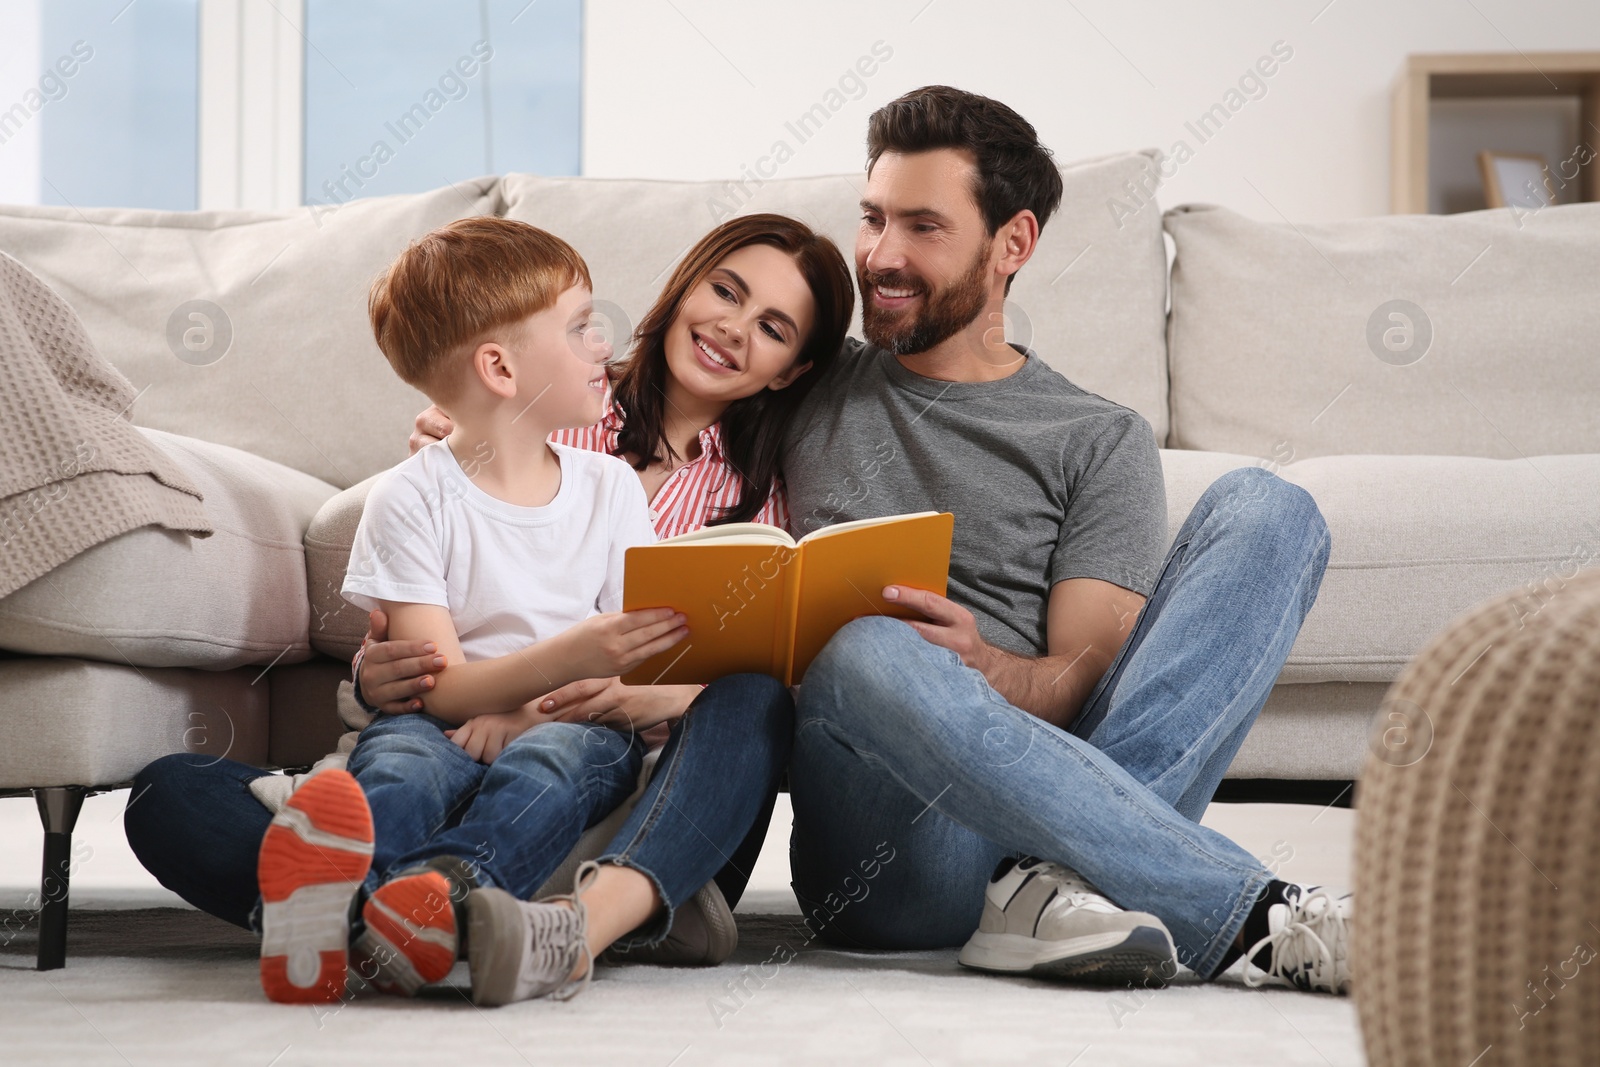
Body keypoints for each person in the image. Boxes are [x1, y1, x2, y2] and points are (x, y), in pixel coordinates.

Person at [126, 212, 854, 1007]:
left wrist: (620, 699)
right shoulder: (533, 406)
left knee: (744, 706)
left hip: (616, 775)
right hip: (441, 734)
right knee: (171, 792)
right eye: (726, 290)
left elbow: (732, 686)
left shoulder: (759, 498)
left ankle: (469, 904)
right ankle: (435, 915)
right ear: (686, 286)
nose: (732, 327)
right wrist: (383, 677)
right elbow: (423, 631)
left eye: (773, 327)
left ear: (792, 368)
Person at [779, 85, 1349, 994]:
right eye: (872, 218)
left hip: (1035, 815)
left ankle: (1057, 891)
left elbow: (1083, 684)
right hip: (891, 862)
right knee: (866, 648)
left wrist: (984, 668)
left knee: (1272, 508)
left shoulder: (1097, 436)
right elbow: (651, 392)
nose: (880, 256)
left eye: (923, 227)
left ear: (1013, 243)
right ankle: (1244, 909)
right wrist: (478, 413)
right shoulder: (806, 379)